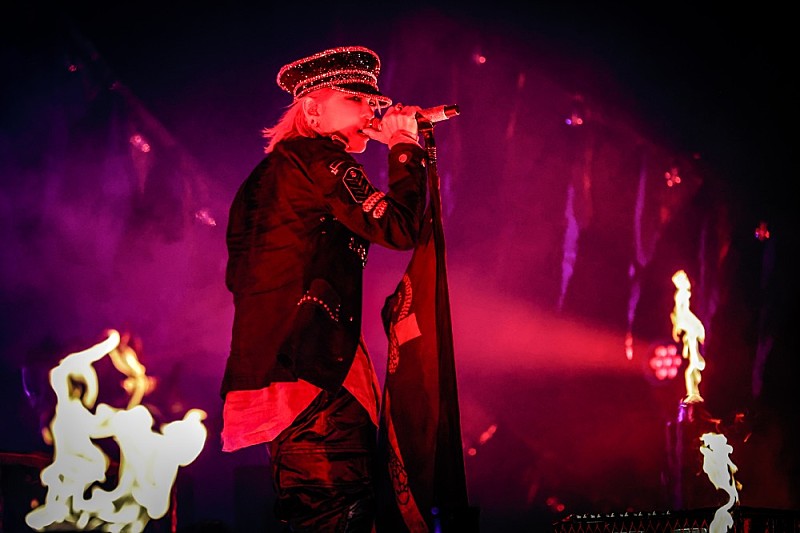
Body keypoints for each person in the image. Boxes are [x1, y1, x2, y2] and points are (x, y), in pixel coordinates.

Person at [219, 45, 429, 532]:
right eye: (356, 99)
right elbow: (399, 228)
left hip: (283, 370)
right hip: (315, 376)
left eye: (375, 103)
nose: (371, 111)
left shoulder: (270, 175)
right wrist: (404, 147)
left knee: (321, 511)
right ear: (312, 110)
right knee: (340, 512)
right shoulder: (318, 157)